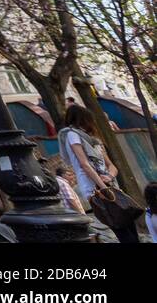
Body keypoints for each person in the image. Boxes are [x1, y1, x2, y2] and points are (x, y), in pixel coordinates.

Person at [58, 104, 140, 243]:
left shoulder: (94, 141)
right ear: (82, 119)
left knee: (129, 224)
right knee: (118, 225)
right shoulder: (72, 134)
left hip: (110, 185)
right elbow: (84, 164)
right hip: (95, 189)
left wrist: (109, 176)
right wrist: (103, 187)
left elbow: (111, 166)